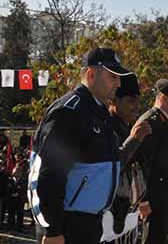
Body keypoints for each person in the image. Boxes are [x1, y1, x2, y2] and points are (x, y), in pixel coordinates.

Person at [28, 47, 148, 244]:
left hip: (91, 222)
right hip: (67, 224)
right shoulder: (69, 112)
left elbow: (111, 161)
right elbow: (46, 175)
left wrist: (134, 141)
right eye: (113, 77)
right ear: (91, 74)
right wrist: (52, 229)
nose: (118, 83)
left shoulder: (99, 111)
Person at [136, 78, 168, 244]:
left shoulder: (166, 121)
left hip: (164, 198)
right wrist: (143, 200)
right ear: (163, 98)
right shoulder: (150, 121)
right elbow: (142, 164)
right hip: (153, 199)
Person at [102, 73, 150, 244]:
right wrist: (134, 140)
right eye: (130, 101)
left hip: (130, 215)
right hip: (109, 217)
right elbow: (111, 166)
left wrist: (144, 201)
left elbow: (139, 166)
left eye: (138, 101)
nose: (136, 106)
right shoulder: (105, 129)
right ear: (113, 101)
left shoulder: (130, 126)